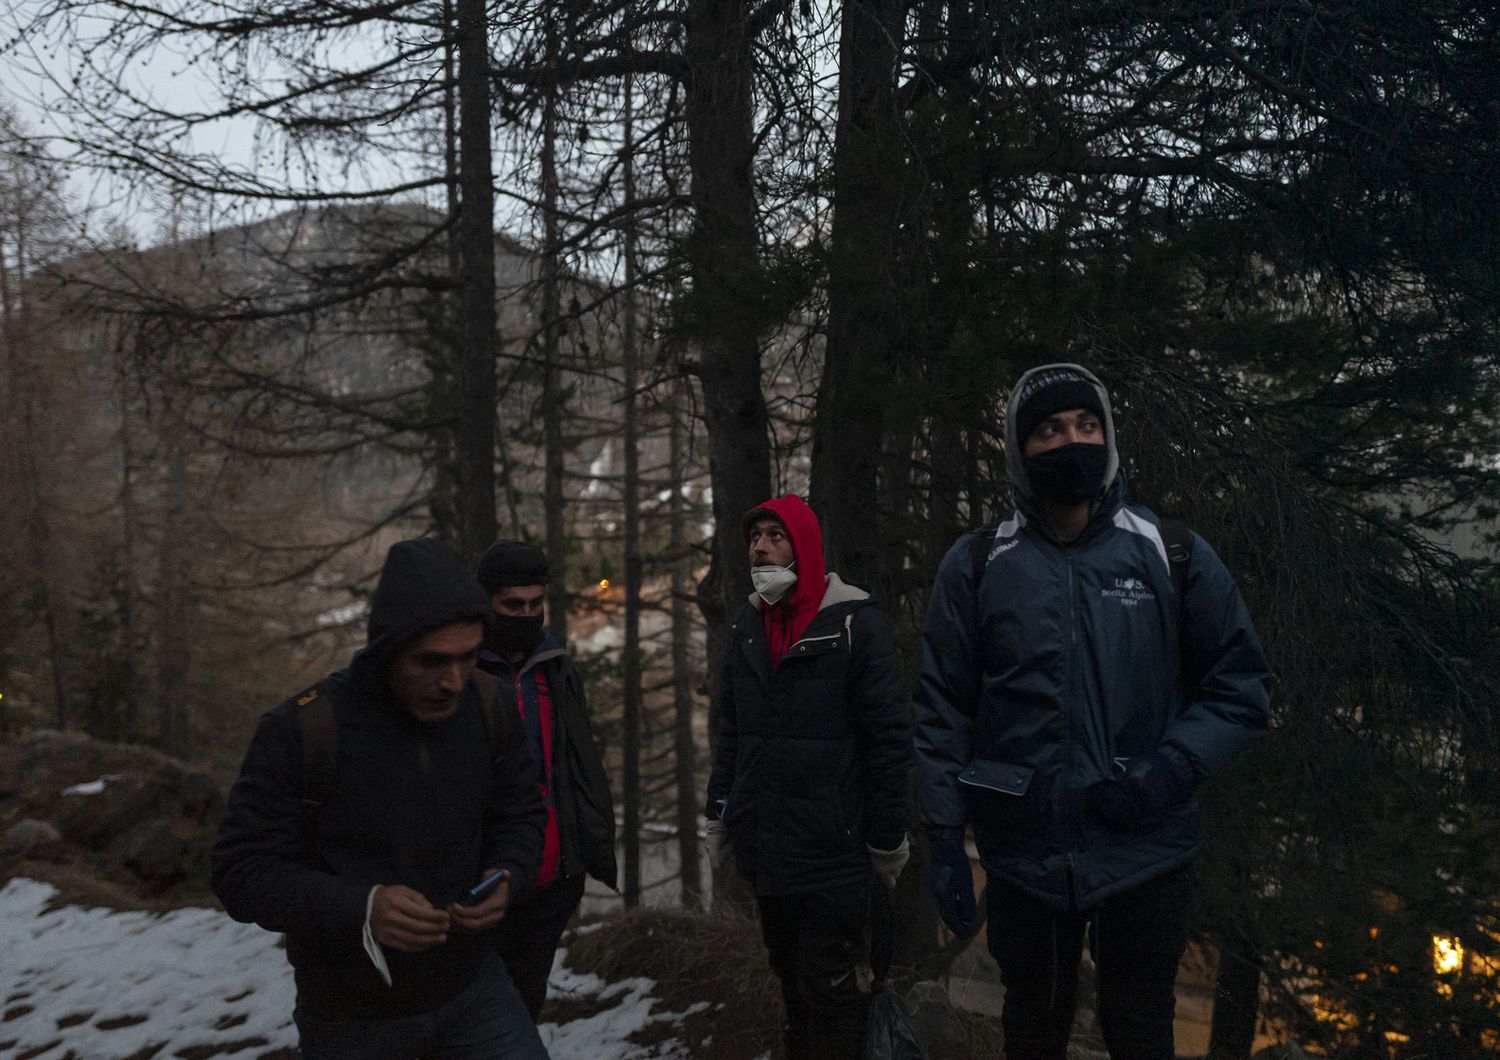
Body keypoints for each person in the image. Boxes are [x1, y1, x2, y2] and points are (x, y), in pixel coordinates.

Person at [914, 364, 1271, 1060]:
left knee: (1140, 1029)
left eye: (1086, 424)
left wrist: (1170, 768)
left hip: (1146, 850)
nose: (1070, 440)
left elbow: (1241, 687)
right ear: (1020, 450)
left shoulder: (1171, 554)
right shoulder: (980, 563)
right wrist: (941, 838)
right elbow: (941, 709)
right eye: (1048, 429)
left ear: (1108, 438)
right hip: (1024, 857)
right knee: (1034, 1028)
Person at [212, 538, 550, 1060]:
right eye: (432, 661)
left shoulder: (490, 706)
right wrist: (361, 907)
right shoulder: (304, 731)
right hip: (352, 1015)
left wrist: (509, 873)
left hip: (475, 992)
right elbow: (241, 872)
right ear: (387, 647)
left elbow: (521, 812)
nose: (453, 681)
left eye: (466, 658)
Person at [705, 494, 913, 1060]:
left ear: (805, 546)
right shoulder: (749, 624)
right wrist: (718, 815)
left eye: (775, 535)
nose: (760, 546)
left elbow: (889, 740)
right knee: (791, 983)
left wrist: (887, 837)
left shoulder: (855, 624)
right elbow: (733, 737)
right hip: (767, 848)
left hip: (833, 851)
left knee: (832, 991)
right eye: (754, 537)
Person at [474, 540, 619, 1021]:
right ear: (486, 602)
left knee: (523, 1005)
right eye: (512, 605)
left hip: (551, 879)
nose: (526, 614)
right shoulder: (460, 673)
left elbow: (578, 764)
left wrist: (584, 858)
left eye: (535, 604)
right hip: (479, 880)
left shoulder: (555, 669)